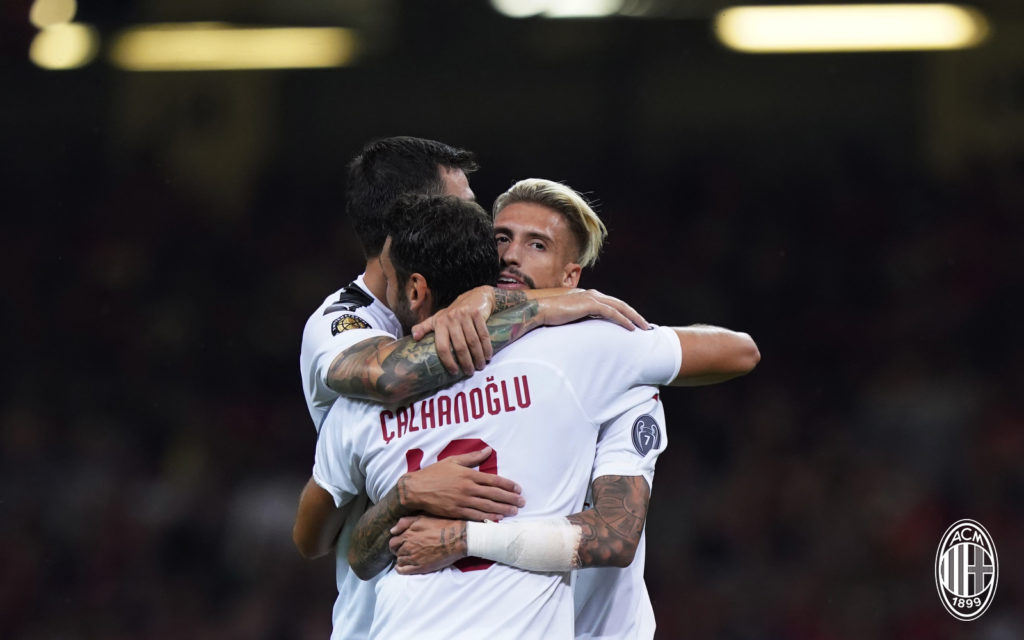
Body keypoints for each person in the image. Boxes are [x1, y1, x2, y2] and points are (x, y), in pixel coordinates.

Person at [302, 193, 758, 638]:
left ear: (571, 276)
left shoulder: (595, 350)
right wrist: (403, 497)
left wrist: (461, 538)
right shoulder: (395, 375)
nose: (511, 257)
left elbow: (616, 535)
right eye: (500, 238)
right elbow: (339, 548)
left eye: (536, 244)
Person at [293, 139, 649, 640]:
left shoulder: (585, 352)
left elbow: (733, 351)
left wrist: (498, 302)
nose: (486, 240)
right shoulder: (346, 327)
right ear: (412, 222)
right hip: (381, 615)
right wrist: (537, 306)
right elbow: (388, 378)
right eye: (469, 215)